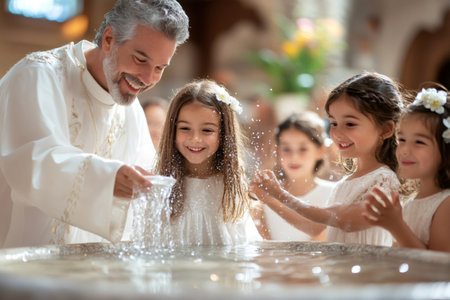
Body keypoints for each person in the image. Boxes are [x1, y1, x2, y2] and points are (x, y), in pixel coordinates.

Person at [0, 0, 189, 248]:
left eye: (159, 68)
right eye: (140, 59)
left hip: (93, 271)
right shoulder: (38, 75)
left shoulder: (131, 111)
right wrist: (106, 178)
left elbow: (149, 177)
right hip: (24, 262)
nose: (148, 79)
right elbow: (30, 163)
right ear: (109, 39)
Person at [251, 72, 403, 246]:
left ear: (385, 129)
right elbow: (314, 227)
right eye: (334, 123)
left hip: (367, 272)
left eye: (350, 124)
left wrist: (280, 194)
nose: (337, 133)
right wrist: (271, 199)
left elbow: (342, 220)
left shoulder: (383, 179)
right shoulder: (345, 182)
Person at [154, 79, 261, 246]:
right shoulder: (161, 186)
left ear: (224, 133)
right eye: (184, 128)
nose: (195, 139)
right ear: (172, 130)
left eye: (207, 130)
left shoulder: (230, 187)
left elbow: (243, 245)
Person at [363, 86, 450, 252]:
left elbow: (439, 266)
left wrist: (396, 226)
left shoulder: (446, 204)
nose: (404, 150)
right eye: (402, 139)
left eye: (419, 142)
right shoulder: (409, 204)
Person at [253, 112, 335, 241]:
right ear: (277, 152)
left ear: (321, 151)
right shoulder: (265, 194)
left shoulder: (333, 193)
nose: (294, 157)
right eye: (286, 149)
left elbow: (320, 244)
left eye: (303, 149)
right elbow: (264, 246)